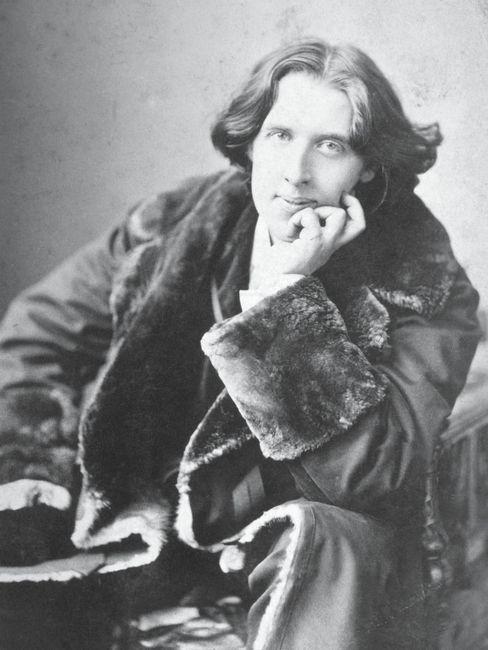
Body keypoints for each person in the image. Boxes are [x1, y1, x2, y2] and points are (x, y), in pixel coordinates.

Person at [0, 38, 481, 649]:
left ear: (368, 166)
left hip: (302, 557)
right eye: (280, 135)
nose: (296, 172)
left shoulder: (423, 280)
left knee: (328, 536)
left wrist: (283, 301)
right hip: (152, 532)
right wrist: (36, 468)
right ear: (251, 142)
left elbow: (375, 479)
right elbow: (38, 329)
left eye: (331, 146)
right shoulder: (179, 221)